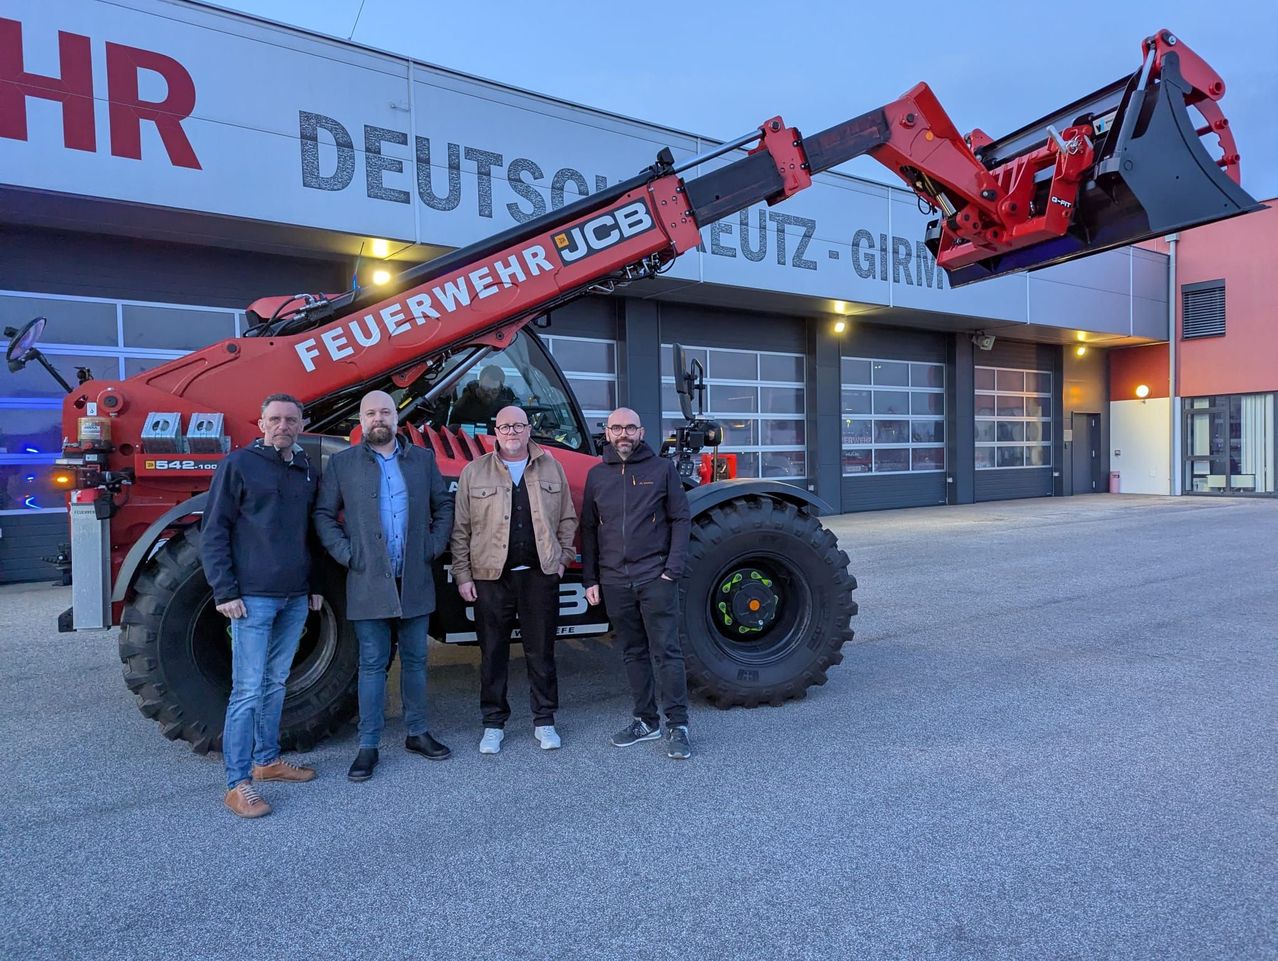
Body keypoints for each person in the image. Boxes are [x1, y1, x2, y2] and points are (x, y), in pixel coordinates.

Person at [314, 390, 455, 782]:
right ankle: (368, 745)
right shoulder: (342, 464)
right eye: (371, 413)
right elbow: (323, 515)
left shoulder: (422, 460)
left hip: (414, 579)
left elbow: (444, 506)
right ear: (361, 420)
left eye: (386, 412)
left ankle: (417, 733)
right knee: (372, 664)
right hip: (368, 580)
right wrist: (348, 554)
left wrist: (433, 545)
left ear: (396, 418)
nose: (379, 418)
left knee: (416, 660)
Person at [201, 393, 323, 819]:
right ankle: (237, 784)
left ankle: (267, 760)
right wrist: (224, 591)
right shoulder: (238, 465)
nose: (283, 426)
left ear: (302, 425)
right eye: (275, 419)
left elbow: (309, 533)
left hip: (295, 596)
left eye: (291, 420)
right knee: (248, 690)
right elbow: (214, 530)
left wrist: (313, 586)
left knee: (275, 683)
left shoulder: (305, 468)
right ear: (261, 423)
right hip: (252, 598)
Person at [451, 405, 577, 754]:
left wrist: (563, 559)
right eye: (505, 426)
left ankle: (545, 721)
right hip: (491, 578)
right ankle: (493, 724)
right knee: (493, 653)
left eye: (518, 426)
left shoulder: (552, 467)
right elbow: (461, 529)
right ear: (496, 431)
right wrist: (463, 574)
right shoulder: (474, 471)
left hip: (540, 576)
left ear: (528, 430)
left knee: (542, 652)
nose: (512, 432)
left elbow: (567, 518)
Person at [581, 407, 693, 760]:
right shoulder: (597, 475)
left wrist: (672, 569)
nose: (623, 434)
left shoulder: (662, 469)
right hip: (614, 581)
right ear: (607, 433)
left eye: (630, 428)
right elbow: (588, 530)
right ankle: (646, 721)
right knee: (632, 652)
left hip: (654, 577)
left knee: (667, 652)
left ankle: (678, 725)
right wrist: (591, 578)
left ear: (641, 432)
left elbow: (681, 518)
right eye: (617, 428)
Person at [449, 364, 517, 427]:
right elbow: (452, 430)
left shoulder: (507, 407)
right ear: (479, 384)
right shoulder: (464, 404)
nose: (489, 393)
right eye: (485, 389)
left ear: (500, 390)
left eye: (494, 391)